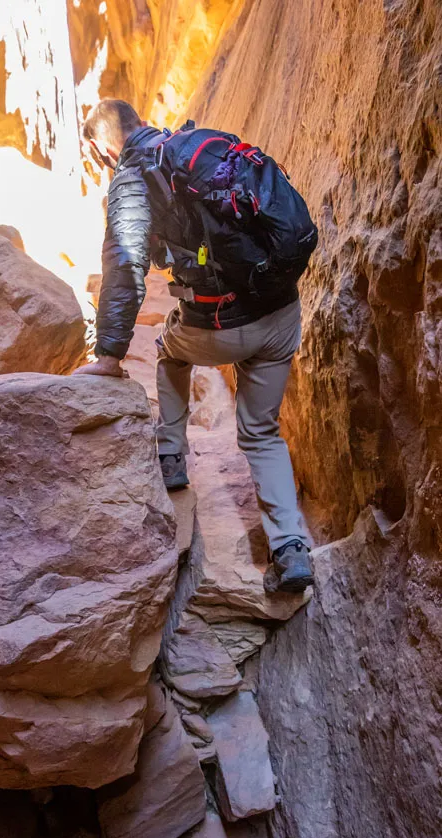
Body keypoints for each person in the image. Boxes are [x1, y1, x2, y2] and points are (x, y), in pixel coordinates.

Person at [73, 98, 313, 594]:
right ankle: (291, 549)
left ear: (101, 148)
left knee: (169, 350)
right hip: (281, 314)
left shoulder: (133, 179)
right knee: (262, 433)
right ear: (140, 120)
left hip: (218, 328)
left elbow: (125, 265)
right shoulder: (198, 144)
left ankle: (171, 456)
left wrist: (110, 356)